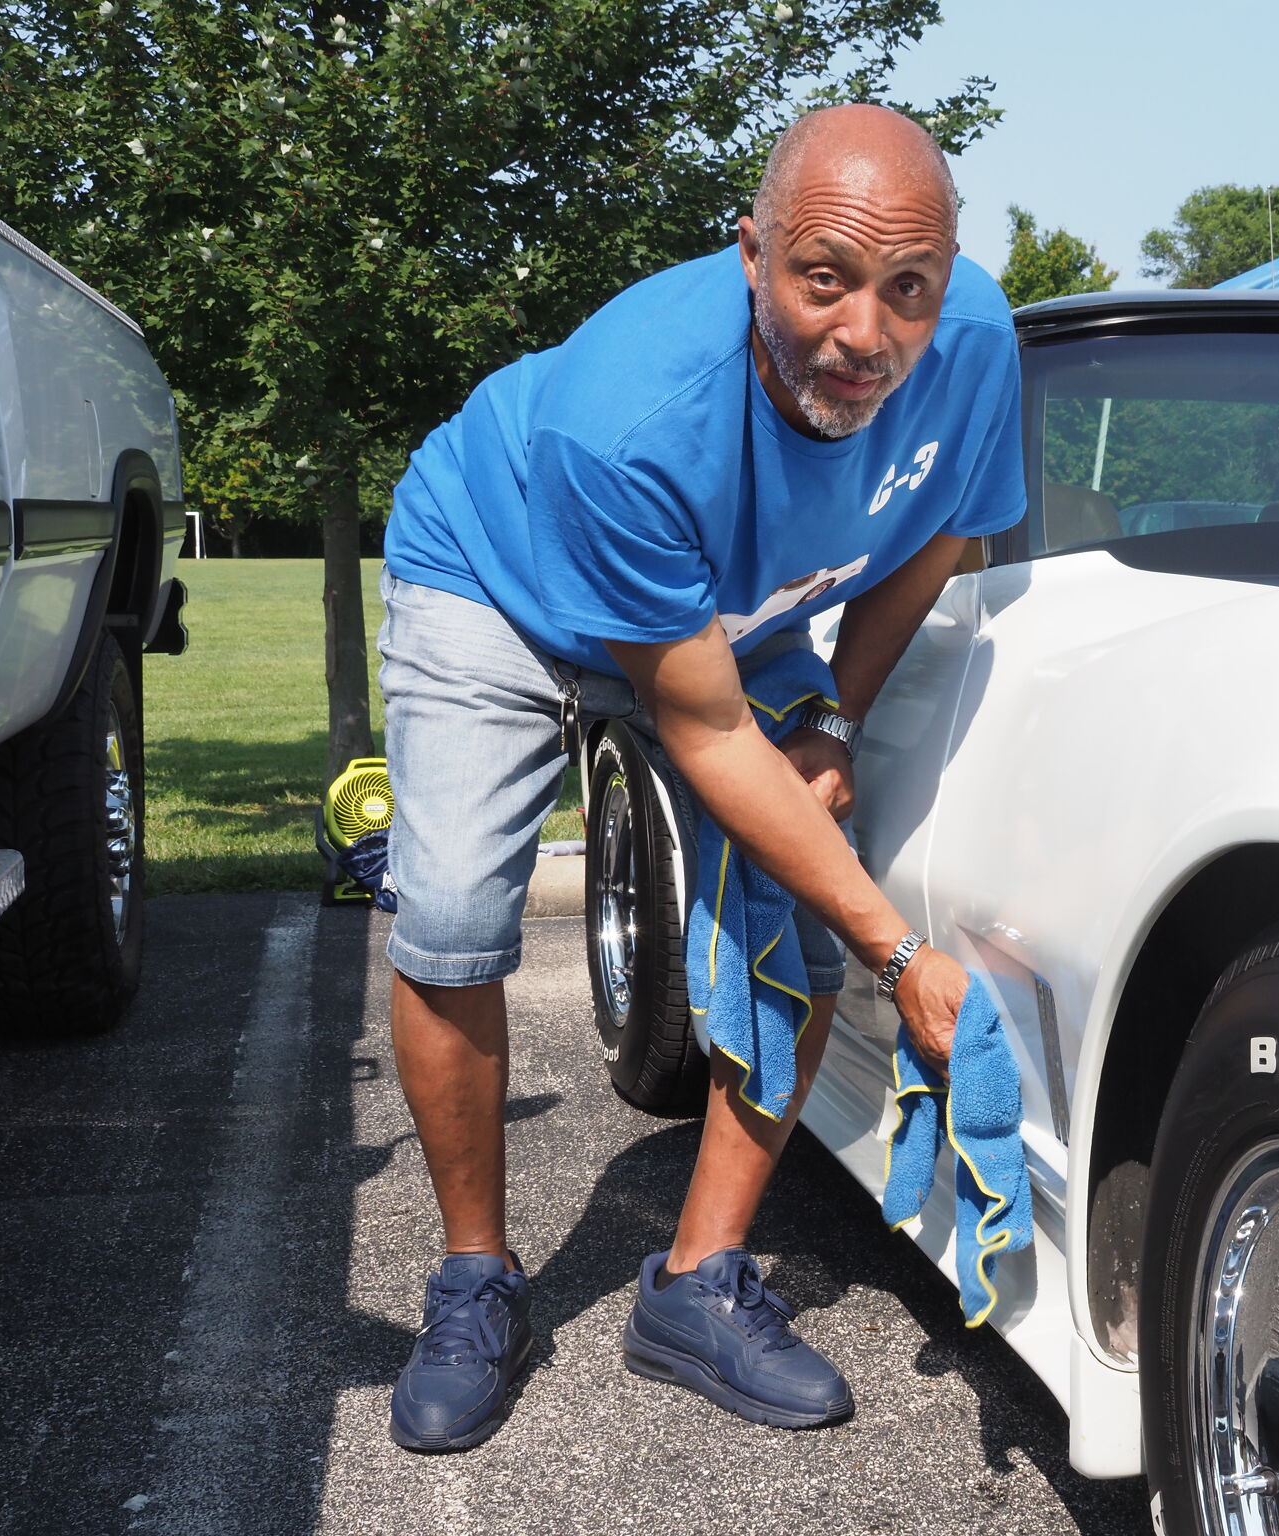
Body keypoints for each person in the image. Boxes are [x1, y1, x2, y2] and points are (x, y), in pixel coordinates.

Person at [374, 103, 1025, 1450]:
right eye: (824, 278)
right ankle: (475, 1279)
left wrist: (836, 723)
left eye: (909, 288)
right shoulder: (630, 416)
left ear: (947, 278)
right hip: (490, 572)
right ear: (752, 253)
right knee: (448, 921)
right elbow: (710, 733)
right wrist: (903, 953)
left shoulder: (974, 344)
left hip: (725, 610)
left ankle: (693, 1288)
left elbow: (942, 537)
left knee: (791, 912)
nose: (866, 335)